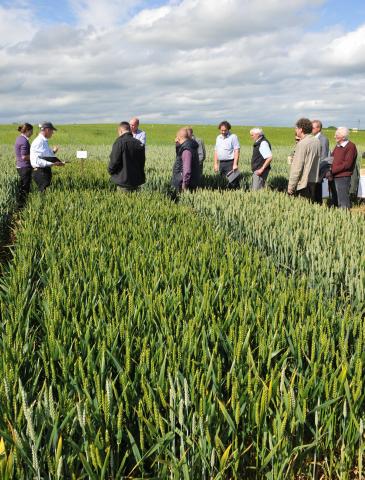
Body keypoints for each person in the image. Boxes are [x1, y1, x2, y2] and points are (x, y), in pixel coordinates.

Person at [288, 118, 321, 202]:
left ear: (301, 129)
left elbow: (297, 167)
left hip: (303, 183)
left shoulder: (302, 143)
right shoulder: (317, 141)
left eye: (296, 128)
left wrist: (290, 187)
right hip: (314, 180)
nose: (295, 130)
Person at [108, 121, 146, 192]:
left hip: (123, 183)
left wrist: (111, 171)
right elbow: (142, 162)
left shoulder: (119, 142)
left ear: (120, 131)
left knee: (124, 202)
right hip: (137, 182)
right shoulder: (139, 143)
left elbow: (114, 161)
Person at [30, 122, 64, 192]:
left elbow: (46, 156)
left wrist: (54, 154)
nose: (53, 133)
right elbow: (37, 160)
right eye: (52, 131)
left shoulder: (43, 141)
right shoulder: (39, 142)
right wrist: (53, 164)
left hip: (44, 171)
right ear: (47, 130)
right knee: (44, 194)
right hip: (41, 172)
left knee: (45, 193)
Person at [330, 126, 357, 209]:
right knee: (335, 199)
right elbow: (332, 158)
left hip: (343, 177)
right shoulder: (338, 146)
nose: (335, 137)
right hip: (334, 176)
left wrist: (332, 170)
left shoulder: (351, 146)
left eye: (337, 135)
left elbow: (347, 164)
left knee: (343, 200)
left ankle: (344, 217)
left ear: (343, 136)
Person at [172, 127, 200, 192]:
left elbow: (187, 170)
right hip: (190, 181)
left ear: (179, 137)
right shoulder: (190, 146)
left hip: (183, 184)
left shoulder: (186, 150)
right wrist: (177, 145)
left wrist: (184, 185)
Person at [214, 121, 240, 188]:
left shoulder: (233, 137)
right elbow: (216, 151)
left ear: (228, 129)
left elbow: (236, 150)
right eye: (221, 130)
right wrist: (216, 164)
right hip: (221, 163)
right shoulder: (218, 138)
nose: (223, 132)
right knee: (222, 182)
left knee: (232, 182)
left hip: (230, 163)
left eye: (225, 130)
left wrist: (235, 164)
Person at [14, 123, 33, 202]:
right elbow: (24, 156)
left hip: (21, 166)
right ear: (27, 130)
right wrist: (35, 157)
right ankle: (22, 206)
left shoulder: (19, 138)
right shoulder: (24, 141)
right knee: (25, 189)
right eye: (31, 131)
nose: (32, 133)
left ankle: (22, 205)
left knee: (23, 187)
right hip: (24, 167)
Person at [312, 120, 330, 203]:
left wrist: (317, 168)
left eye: (312, 127)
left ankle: (318, 205)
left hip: (319, 168)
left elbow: (324, 156)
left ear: (318, 128)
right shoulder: (313, 138)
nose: (311, 129)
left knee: (318, 189)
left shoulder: (323, 139)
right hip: (313, 169)